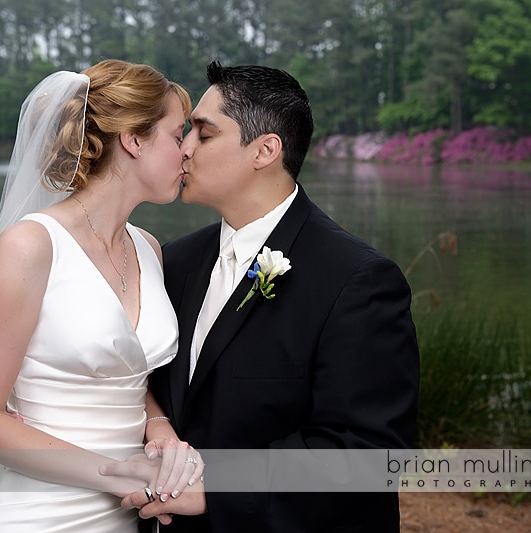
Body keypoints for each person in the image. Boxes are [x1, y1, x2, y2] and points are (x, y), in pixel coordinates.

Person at [106, 62, 420, 532]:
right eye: (186, 132)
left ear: (264, 151)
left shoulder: (357, 279)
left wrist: (218, 488)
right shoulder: (175, 260)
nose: (183, 149)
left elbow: (369, 451)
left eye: (203, 135)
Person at [0, 59, 204, 532]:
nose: (188, 150)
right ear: (134, 139)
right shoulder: (31, 246)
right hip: (41, 512)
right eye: (176, 131)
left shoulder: (147, 249)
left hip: (125, 513)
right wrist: (117, 472)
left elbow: (127, 372)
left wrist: (158, 427)